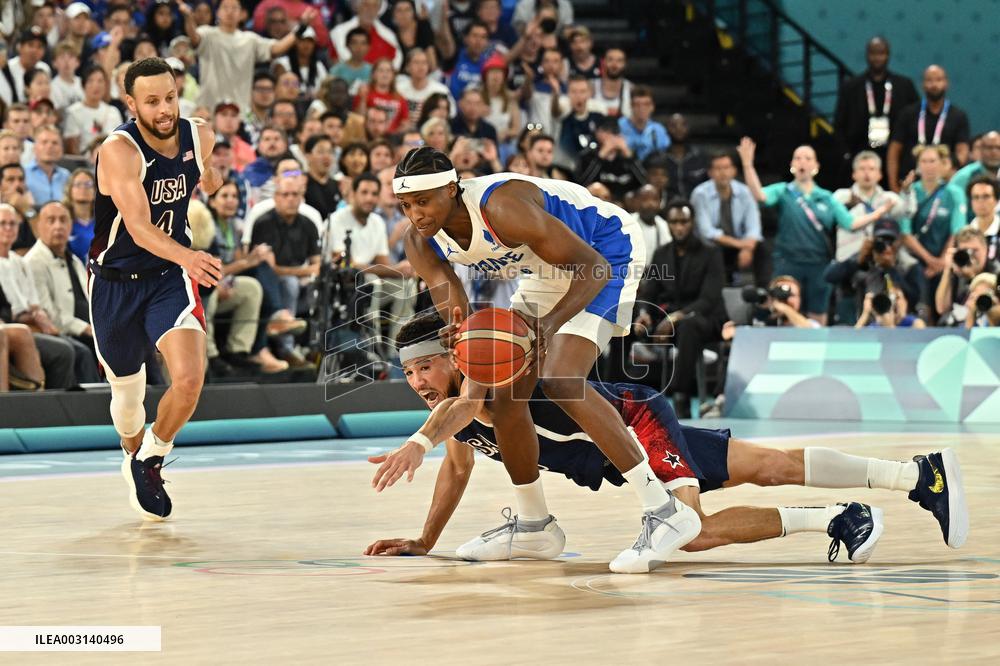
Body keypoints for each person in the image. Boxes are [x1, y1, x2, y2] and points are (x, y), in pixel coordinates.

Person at [365, 312, 969, 560]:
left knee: (689, 532)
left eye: (425, 366)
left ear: (455, 355)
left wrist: (416, 441)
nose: (418, 380)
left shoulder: (484, 380)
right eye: (409, 371)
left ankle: (834, 519)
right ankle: (917, 475)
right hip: (617, 454)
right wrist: (424, 540)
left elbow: (460, 411)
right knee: (770, 464)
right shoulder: (456, 409)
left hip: (636, 425)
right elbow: (458, 468)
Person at [382, 146, 701, 574]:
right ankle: (535, 527)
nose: (415, 214)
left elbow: (594, 268)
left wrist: (547, 330)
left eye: (423, 201)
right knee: (503, 393)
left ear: (453, 190)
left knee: (560, 377)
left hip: (604, 249)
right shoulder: (419, 240)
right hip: (549, 268)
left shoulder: (501, 206)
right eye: (406, 205)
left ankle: (664, 510)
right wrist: (465, 339)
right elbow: (457, 310)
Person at [89, 58, 224, 520]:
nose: (165, 109)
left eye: (170, 97)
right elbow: (140, 227)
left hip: (168, 279)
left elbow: (210, 174)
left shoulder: (198, 135)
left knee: (188, 379)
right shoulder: (119, 151)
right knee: (128, 400)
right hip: (114, 284)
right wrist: (189, 254)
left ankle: (151, 458)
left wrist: (213, 177)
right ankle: (133, 453)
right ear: (130, 104)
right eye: (152, 101)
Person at [739, 138, 891, 324]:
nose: (802, 161)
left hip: (819, 265)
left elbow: (850, 223)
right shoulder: (783, 191)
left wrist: (878, 214)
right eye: (798, 158)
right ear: (792, 164)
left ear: (816, 166)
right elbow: (759, 195)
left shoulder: (826, 197)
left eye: (807, 158)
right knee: (783, 310)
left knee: (818, 315)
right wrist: (748, 166)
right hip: (788, 262)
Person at [633, 200, 725, 417]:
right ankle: (615, 394)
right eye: (674, 222)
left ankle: (680, 395)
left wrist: (674, 318)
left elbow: (709, 299)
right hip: (668, 321)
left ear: (692, 223)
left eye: (684, 221)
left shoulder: (710, 253)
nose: (679, 227)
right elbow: (649, 293)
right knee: (623, 325)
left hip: (704, 319)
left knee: (688, 326)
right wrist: (644, 314)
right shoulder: (662, 253)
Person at [179, 0, 315, 113]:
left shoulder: (250, 39)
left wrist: (301, 28)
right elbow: (194, 37)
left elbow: (276, 48)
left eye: (234, 8)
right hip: (208, 109)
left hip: (240, 110)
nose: (230, 11)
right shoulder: (207, 34)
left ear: (242, 14)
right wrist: (188, 17)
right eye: (225, 7)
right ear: (218, 12)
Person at [326, 172, 415, 343]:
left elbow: (384, 265)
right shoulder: (337, 220)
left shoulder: (377, 222)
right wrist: (394, 269)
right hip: (343, 285)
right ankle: (371, 348)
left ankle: (396, 351)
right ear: (353, 194)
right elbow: (344, 264)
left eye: (374, 194)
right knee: (372, 281)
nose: (369, 198)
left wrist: (404, 270)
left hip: (370, 280)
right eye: (364, 192)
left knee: (406, 286)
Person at [0, 202, 78, 389]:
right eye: (3, 223)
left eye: (13, 223)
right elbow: (10, 311)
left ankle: (66, 402)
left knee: (75, 347)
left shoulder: (20, 262)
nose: (9, 228)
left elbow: (35, 305)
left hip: (32, 323)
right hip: (19, 324)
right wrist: (33, 316)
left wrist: (38, 316)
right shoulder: (32, 259)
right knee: (64, 350)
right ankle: (43, 403)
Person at [899, 144, 967, 316]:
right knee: (920, 306)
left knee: (944, 304)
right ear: (918, 165)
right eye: (924, 161)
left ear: (943, 163)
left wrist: (943, 260)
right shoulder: (910, 191)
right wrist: (929, 260)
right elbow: (905, 232)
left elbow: (957, 231)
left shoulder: (954, 192)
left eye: (933, 161)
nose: (929, 166)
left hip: (945, 260)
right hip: (917, 261)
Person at [834, 37, 919, 164]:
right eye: (873, 53)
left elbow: (916, 121)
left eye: (881, 53)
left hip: (897, 157)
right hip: (859, 155)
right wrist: (846, 153)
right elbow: (839, 123)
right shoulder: (851, 87)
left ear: (888, 55)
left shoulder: (904, 86)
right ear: (867, 55)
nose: (877, 58)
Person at [886, 65, 970, 192]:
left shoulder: (958, 116)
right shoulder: (907, 114)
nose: (934, 84)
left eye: (938, 80)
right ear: (923, 84)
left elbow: (962, 152)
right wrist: (893, 185)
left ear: (946, 83)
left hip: (944, 184)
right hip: (910, 182)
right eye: (929, 80)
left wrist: (950, 173)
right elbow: (894, 151)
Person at [691, 150, 764, 286]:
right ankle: (718, 289)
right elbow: (706, 232)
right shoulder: (700, 194)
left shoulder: (745, 192)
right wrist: (741, 244)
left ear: (734, 171)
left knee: (762, 249)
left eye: (726, 168)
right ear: (710, 173)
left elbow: (754, 227)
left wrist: (747, 248)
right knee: (712, 248)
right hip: (713, 245)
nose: (723, 173)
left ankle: (763, 294)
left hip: (737, 244)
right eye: (718, 169)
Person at [832, 150, 906, 262]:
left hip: (879, 260)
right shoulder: (841, 196)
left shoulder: (890, 198)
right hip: (848, 260)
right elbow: (841, 222)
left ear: (879, 174)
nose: (867, 173)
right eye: (862, 169)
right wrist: (879, 212)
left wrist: (907, 192)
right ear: (854, 174)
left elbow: (908, 213)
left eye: (871, 169)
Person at [934, 228, 1000, 327]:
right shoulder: (956, 271)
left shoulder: (995, 272)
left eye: (975, 250)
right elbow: (941, 308)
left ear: (986, 249)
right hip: (955, 328)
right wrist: (948, 269)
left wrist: (973, 277)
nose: (971, 255)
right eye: (965, 251)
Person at [574, 116, 646, 201]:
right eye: (606, 131)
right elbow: (581, 185)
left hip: (624, 204)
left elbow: (644, 183)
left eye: (614, 132)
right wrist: (600, 156)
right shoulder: (588, 155)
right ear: (597, 133)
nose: (610, 136)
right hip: (596, 203)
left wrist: (629, 157)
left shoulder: (629, 156)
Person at [330, 0, 403, 72]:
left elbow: (397, 61)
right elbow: (339, 60)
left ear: (379, 9)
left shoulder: (389, 35)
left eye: (375, 6)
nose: (370, 10)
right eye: (366, 5)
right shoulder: (338, 32)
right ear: (357, 6)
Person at [557, 74, 603, 164]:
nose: (578, 96)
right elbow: (555, 110)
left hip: (592, 166)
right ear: (568, 93)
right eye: (574, 91)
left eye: (582, 91)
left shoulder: (598, 116)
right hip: (565, 166)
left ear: (589, 93)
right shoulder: (561, 116)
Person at [396, 48, 452, 120]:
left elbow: (450, 114)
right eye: (416, 62)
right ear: (407, 67)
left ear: (428, 66)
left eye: (424, 62)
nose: (421, 66)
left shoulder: (440, 90)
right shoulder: (398, 89)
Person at [663, 113, 708, 198]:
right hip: (668, 207)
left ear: (688, 128)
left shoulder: (701, 156)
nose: (678, 129)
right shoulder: (660, 158)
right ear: (666, 130)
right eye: (673, 125)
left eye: (683, 125)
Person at [618, 86, 669, 162]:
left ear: (652, 107)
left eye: (646, 104)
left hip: (651, 170)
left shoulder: (659, 130)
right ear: (631, 106)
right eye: (637, 104)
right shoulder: (619, 126)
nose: (641, 109)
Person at [24, 125, 69, 206]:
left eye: (55, 143)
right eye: (44, 142)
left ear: (62, 149)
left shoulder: (67, 176)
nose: (49, 146)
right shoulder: (23, 174)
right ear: (34, 147)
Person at [951, 130, 1000, 201]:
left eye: (998, 148)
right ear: (981, 150)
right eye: (989, 147)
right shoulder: (964, 177)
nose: (994, 152)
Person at [303, 134, 340, 220]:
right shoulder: (301, 183)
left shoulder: (337, 185)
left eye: (330, 152)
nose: (326, 156)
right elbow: (286, 173)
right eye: (321, 152)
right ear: (307, 156)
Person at [630, 184, 669, 264]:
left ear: (660, 202)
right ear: (636, 201)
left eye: (654, 199)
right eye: (645, 199)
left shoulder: (664, 226)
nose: (650, 203)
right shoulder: (627, 223)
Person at [64, 168, 96, 264]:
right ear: (69, 190)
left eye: (88, 184)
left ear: (95, 191)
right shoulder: (62, 220)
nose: (83, 188)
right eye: (78, 184)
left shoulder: (103, 221)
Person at [328, 27, 374, 94]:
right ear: (347, 45)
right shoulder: (336, 70)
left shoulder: (373, 71)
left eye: (363, 43)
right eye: (355, 43)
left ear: (369, 47)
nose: (359, 47)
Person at [965, 175, 999, 262]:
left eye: (986, 196)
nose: (980, 201)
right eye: (976, 197)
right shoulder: (964, 235)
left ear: (996, 200)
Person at [591, 47, 632, 118]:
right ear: (603, 62)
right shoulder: (590, 86)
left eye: (619, 61)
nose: (614, 65)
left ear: (625, 64)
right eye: (610, 60)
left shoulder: (631, 89)